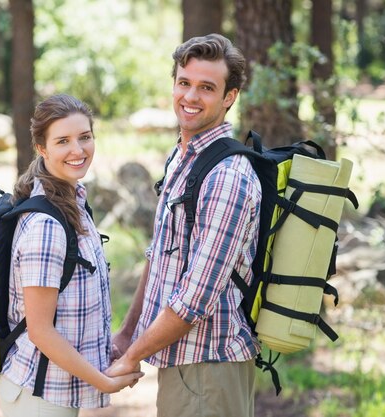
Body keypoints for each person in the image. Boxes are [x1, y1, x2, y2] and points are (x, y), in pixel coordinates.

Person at [107, 34, 261, 417]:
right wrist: (127, 334)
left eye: (206, 87)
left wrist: (134, 356)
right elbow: (160, 255)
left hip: (210, 369)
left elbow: (196, 299)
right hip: (184, 363)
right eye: (184, 83)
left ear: (230, 97)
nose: (190, 96)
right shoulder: (183, 157)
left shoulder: (228, 176)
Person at [0, 94, 144, 417]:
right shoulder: (46, 226)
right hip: (38, 397)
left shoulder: (73, 201)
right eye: (63, 141)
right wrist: (103, 381)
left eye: (85, 137)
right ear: (42, 148)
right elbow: (40, 331)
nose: (78, 150)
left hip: (55, 392)